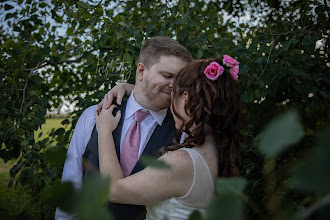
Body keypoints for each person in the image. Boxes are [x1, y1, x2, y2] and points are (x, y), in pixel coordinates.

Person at [55, 36, 193, 220]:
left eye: (180, 80)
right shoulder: (92, 116)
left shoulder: (183, 133)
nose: (174, 86)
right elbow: (71, 185)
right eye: (167, 76)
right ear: (141, 71)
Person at [96, 55, 244, 220]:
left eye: (173, 94)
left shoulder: (182, 162)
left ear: (186, 98)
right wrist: (131, 89)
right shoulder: (218, 149)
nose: (170, 100)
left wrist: (104, 130)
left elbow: (113, 190)